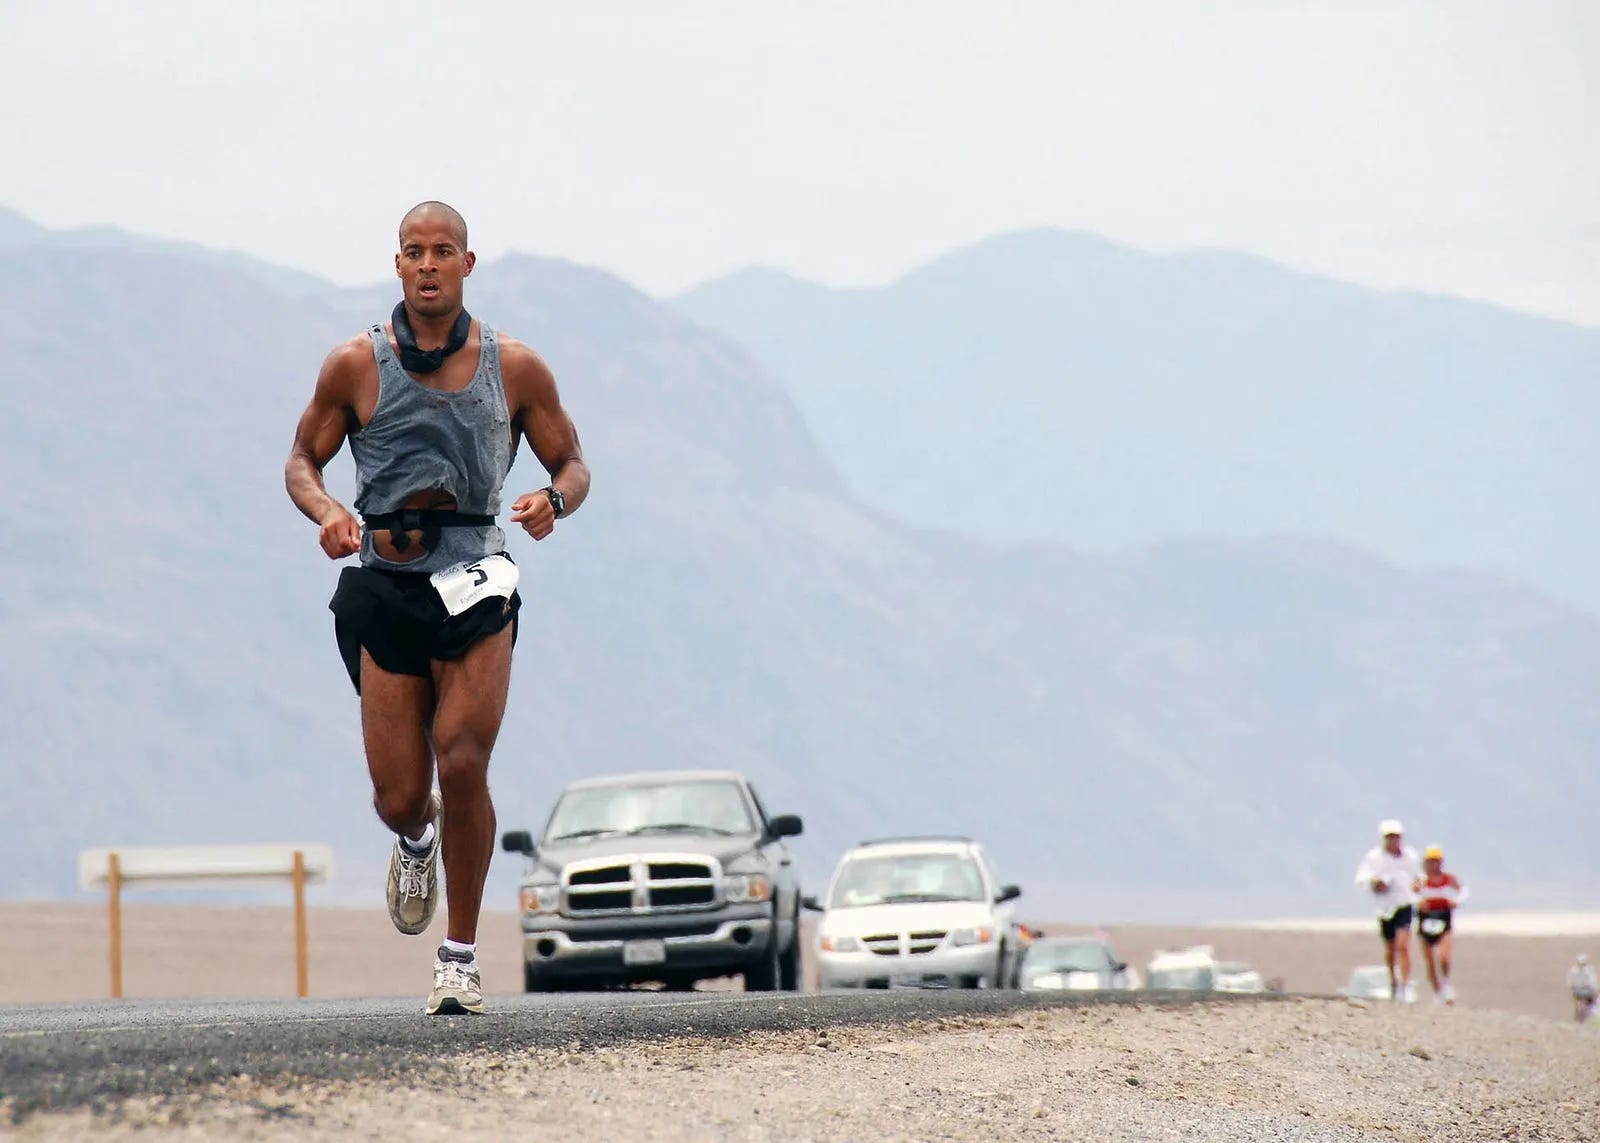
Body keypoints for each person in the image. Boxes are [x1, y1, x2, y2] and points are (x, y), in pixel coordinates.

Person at [284, 201, 590, 1014]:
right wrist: (327, 512)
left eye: (443, 250)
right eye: (414, 251)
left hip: (477, 577)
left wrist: (553, 499)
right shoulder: (355, 364)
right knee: (397, 795)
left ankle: (458, 957)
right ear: (398, 264)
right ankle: (418, 835)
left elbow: (573, 462)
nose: (428, 264)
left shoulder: (515, 367)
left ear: (467, 263)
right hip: (387, 581)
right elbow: (302, 459)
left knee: (463, 758)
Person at [1352, 819, 1422, 1002]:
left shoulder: (1410, 856)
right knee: (1391, 948)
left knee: (1403, 946)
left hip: (1404, 904)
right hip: (1385, 907)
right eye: (1390, 837)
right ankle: (1393, 981)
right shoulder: (1374, 857)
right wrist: (1375, 883)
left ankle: (1405, 986)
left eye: (1396, 837)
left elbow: (1418, 877)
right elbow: (1361, 878)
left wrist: (1417, 885)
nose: (1393, 841)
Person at [1412, 845, 1466, 1004]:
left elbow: (1463, 890)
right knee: (1430, 961)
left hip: (1443, 920)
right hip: (1425, 921)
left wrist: (1456, 902)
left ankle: (1446, 983)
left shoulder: (1449, 879)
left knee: (1444, 956)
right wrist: (1418, 902)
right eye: (1430, 861)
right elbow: (1409, 895)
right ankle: (1437, 992)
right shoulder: (1421, 880)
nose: (1433, 864)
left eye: (1436, 861)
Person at [1569, 954, 1597, 1024]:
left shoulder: (1573, 969)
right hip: (1586, 990)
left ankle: (1578, 1016)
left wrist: (1572, 988)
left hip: (1577, 990)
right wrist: (1594, 990)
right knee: (1591, 1001)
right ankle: (1585, 1015)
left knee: (1577, 1001)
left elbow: (1570, 982)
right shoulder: (1589, 969)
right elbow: (1592, 981)